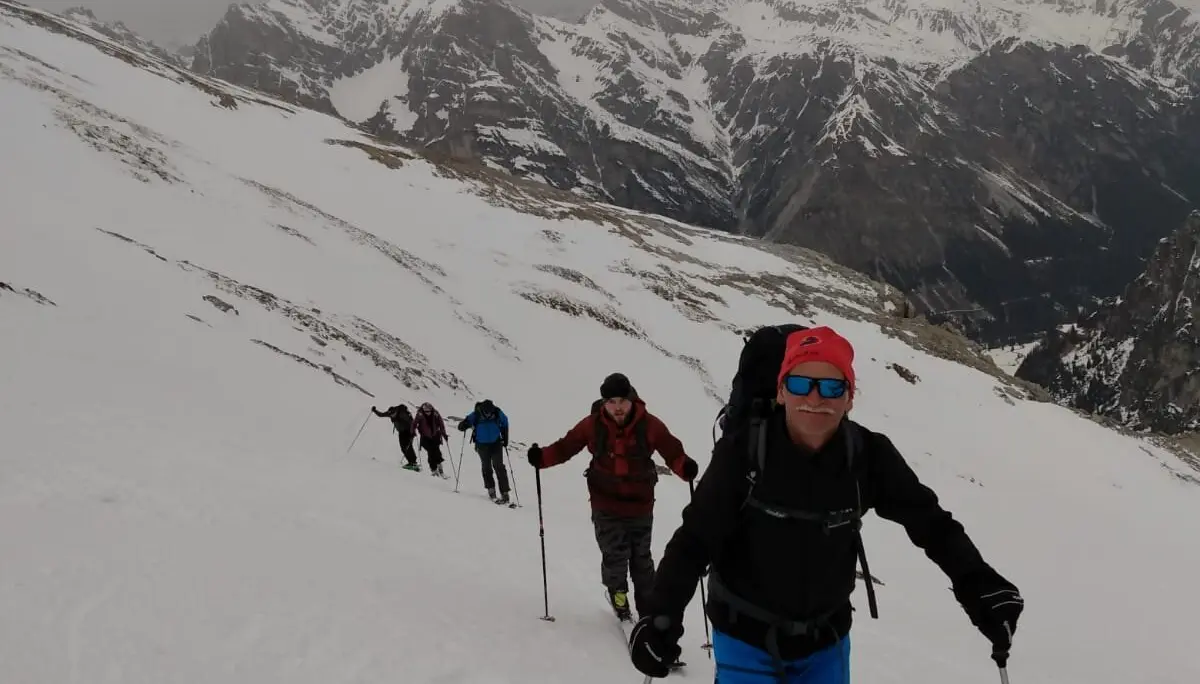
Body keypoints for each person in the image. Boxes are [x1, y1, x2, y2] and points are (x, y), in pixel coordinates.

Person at [628, 326, 1024, 682]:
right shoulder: (744, 452)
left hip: (827, 641)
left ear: (849, 398)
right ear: (781, 392)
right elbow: (696, 538)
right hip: (743, 635)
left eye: (833, 387)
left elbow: (930, 523)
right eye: (801, 384)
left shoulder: (867, 456)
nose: (815, 398)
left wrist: (979, 584)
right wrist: (661, 615)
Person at [526, 373, 699, 622]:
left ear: (631, 399)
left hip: (640, 505)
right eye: (611, 402)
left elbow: (672, 451)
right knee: (615, 555)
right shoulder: (592, 425)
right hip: (605, 502)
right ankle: (619, 596)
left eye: (622, 401)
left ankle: (647, 606)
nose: (617, 408)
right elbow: (566, 447)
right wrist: (541, 458)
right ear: (604, 403)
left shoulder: (650, 425)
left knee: (642, 560)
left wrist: (685, 468)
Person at [457, 399, 512, 504]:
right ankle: (491, 489)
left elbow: (505, 422)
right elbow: (466, 422)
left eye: (489, 412)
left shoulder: (497, 412)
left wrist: (505, 438)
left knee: (499, 466)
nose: (488, 414)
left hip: (496, 443)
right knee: (486, 466)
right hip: (481, 445)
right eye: (486, 412)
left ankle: (504, 492)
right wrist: (463, 425)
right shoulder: (476, 413)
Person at [372, 403, 418, 470]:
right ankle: (411, 463)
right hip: (401, 432)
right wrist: (374, 410)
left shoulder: (402, 414)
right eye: (391, 415)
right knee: (403, 448)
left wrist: (413, 433)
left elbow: (411, 423)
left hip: (408, 431)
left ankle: (413, 462)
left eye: (393, 415)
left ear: (395, 412)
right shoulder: (390, 413)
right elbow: (381, 415)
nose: (392, 416)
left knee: (408, 446)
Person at [413, 402, 449, 477]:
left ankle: (440, 470)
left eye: (429, 411)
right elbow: (414, 423)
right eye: (426, 411)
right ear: (423, 410)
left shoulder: (436, 413)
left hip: (435, 436)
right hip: (425, 438)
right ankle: (434, 470)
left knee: (437, 453)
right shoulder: (420, 414)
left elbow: (441, 424)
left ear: (431, 409)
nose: (427, 413)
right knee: (431, 452)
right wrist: (412, 431)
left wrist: (444, 434)